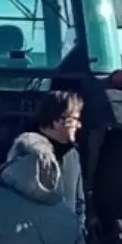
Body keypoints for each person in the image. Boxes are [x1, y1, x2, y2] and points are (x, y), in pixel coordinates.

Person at [33, 90, 85, 228]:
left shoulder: (73, 155)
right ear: (57, 121)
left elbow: (79, 204)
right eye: (74, 119)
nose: (78, 125)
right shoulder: (28, 153)